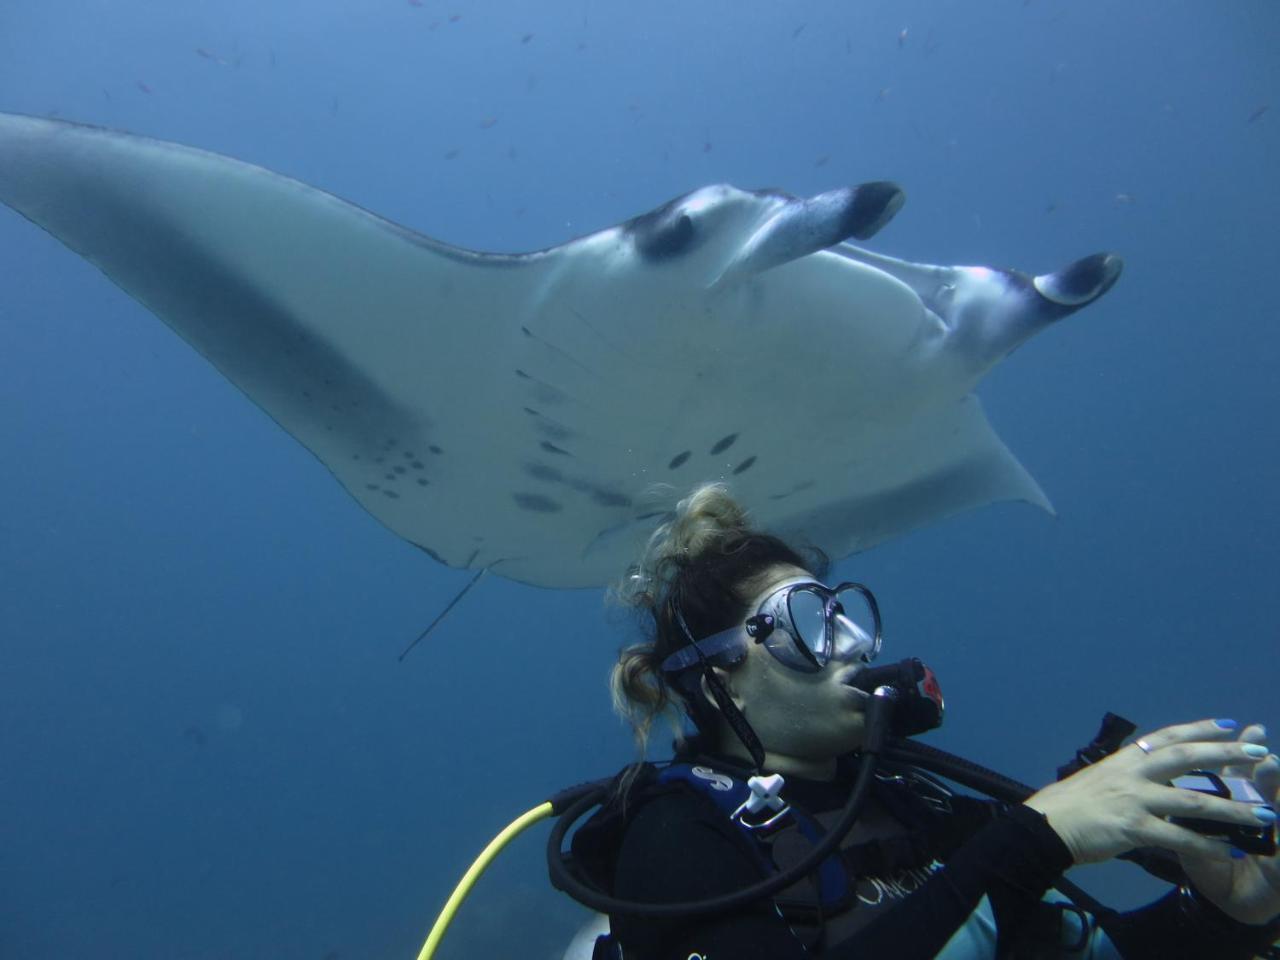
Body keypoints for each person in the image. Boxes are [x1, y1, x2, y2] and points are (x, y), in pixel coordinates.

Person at [574, 483, 1280, 959]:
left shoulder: (918, 806)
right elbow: (1012, 862)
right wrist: (1035, 839)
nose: (853, 643)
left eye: (843, 613)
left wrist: (1227, 915)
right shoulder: (675, 836)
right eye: (808, 623)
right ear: (718, 672)